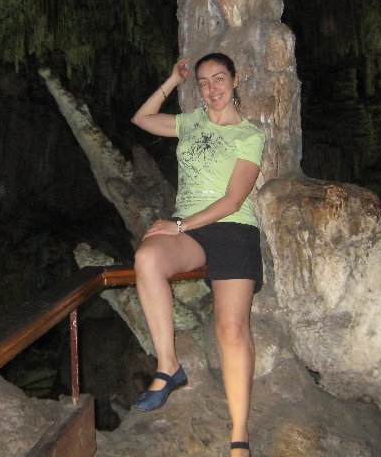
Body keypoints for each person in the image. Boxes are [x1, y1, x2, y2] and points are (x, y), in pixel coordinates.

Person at [130, 52, 265, 457]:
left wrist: (179, 225)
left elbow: (233, 199)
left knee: (230, 329)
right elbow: (142, 119)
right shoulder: (190, 123)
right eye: (203, 83)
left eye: (219, 79)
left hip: (233, 229)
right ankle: (168, 364)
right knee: (147, 259)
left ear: (235, 79)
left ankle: (239, 437)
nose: (212, 89)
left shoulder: (249, 135)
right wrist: (172, 80)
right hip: (188, 227)